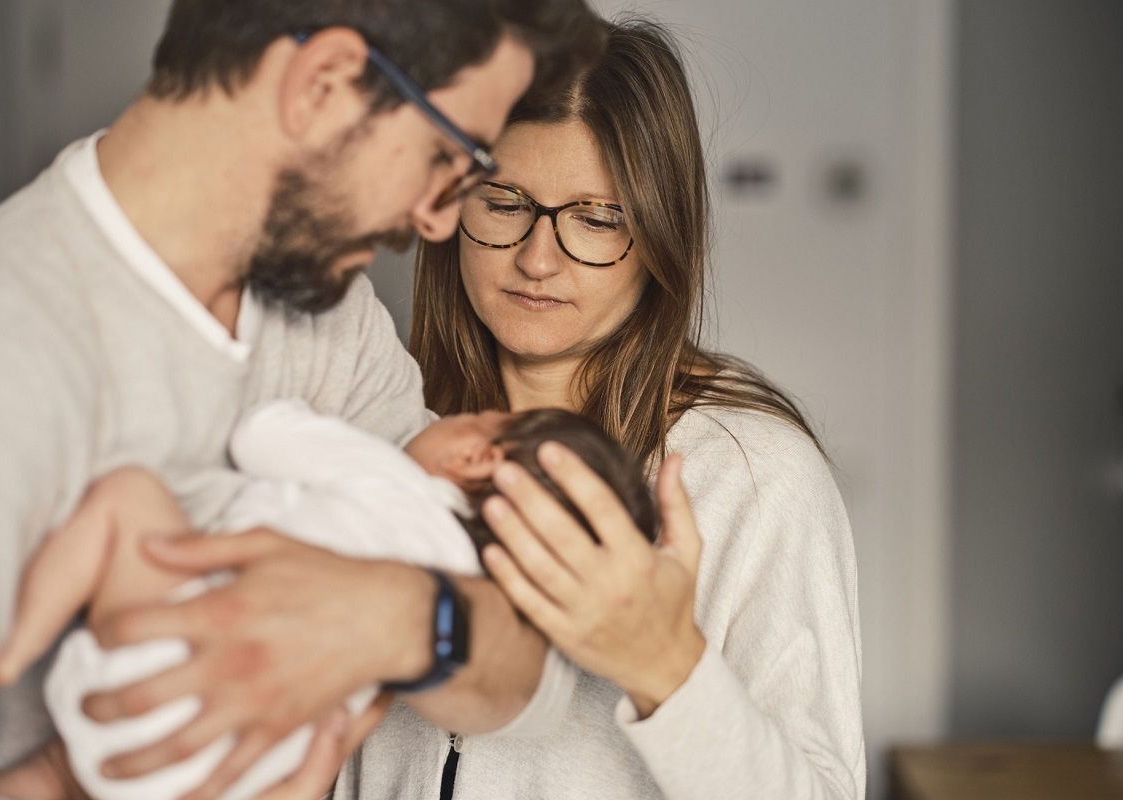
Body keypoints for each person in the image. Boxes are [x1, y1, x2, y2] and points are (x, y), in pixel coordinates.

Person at [0, 2, 610, 798]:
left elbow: (535, 677)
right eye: (447, 156)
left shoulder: (333, 317)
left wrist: (401, 616)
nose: (436, 221)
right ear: (322, 82)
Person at [339, 18, 866, 799]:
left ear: (660, 238)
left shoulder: (754, 478)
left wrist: (666, 667)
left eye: (596, 219)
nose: (538, 257)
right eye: (506, 200)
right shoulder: (379, 432)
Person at [0, 400, 655, 800]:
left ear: (477, 456)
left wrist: (333, 433)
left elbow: (263, 430)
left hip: (158, 657)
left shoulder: (390, 480)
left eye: (475, 417)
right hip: (238, 773)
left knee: (127, 494)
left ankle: (13, 650)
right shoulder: (467, 590)